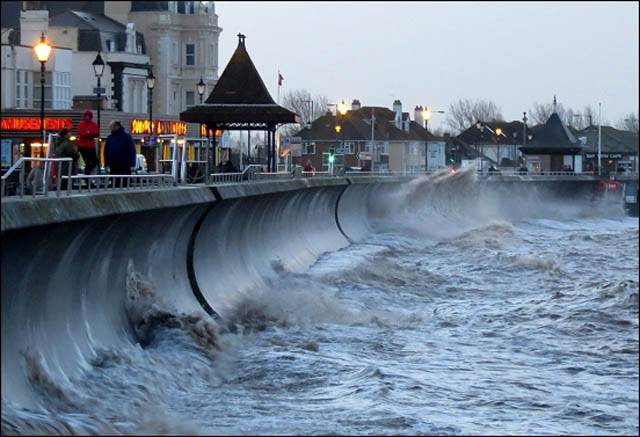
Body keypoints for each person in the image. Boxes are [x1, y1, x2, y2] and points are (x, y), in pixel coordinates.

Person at [104, 121, 136, 187]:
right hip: (114, 166)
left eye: (111, 126)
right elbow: (106, 152)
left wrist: (132, 164)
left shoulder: (126, 137)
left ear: (117, 126)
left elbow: (132, 151)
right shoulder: (110, 138)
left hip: (124, 166)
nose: (110, 128)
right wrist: (106, 164)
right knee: (114, 184)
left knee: (124, 184)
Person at [75, 109, 100, 175]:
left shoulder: (93, 124)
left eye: (89, 115)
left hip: (90, 146)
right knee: (84, 163)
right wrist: (90, 133)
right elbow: (82, 134)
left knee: (94, 162)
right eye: (86, 115)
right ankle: (86, 175)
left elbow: (96, 133)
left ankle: (86, 174)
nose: (87, 117)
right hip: (83, 146)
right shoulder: (81, 124)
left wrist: (88, 133)